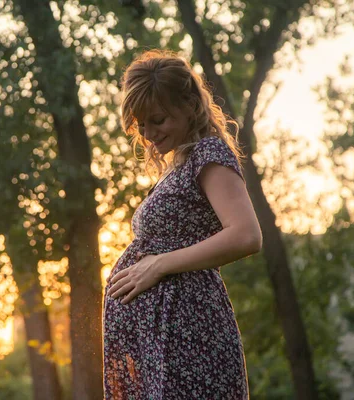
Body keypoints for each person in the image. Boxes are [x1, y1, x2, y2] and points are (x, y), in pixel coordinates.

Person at [102, 49, 262, 399]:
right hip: (163, 344)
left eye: (158, 120)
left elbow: (247, 235)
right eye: (141, 125)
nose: (149, 133)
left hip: (188, 337)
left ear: (190, 104)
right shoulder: (180, 162)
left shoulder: (209, 155)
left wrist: (157, 265)